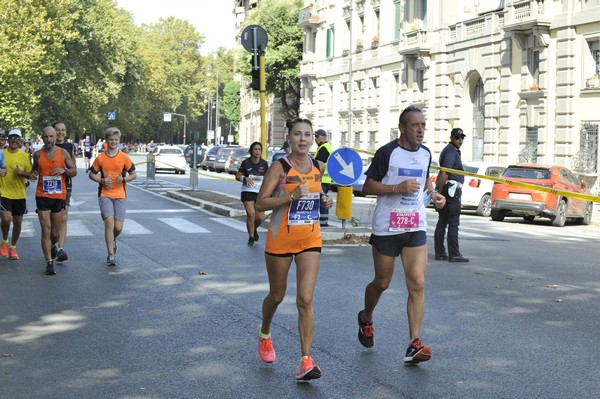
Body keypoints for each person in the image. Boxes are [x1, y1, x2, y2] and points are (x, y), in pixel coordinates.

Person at [357, 105, 446, 365]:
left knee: (417, 282)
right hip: (387, 226)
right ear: (403, 128)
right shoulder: (387, 152)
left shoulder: (426, 153)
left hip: (415, 224)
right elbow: (367, 186)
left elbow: (424, 182)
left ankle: (414, 343)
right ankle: (366, 317)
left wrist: (434, 195)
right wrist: (397, 187)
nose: (420, 130)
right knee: (382, 282)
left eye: (423, 125)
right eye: (415, 125)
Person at [255, 118, 334, 381]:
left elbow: (315, 193)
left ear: (313, 139)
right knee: (277, 296)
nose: (303, 139)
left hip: (310, 239)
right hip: (280, 239)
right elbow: (259, 204)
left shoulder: (318, 166)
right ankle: (265, 332)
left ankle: (306, 362)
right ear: (289, 137)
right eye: (297, 134)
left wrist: (323, 199)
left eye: (307, 135)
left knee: (306, 299)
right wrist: (290, 197)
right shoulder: (279, 168)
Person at [30, 126, 77, 275]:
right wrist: (33, 174)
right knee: (46, 229)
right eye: (46, 137)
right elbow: (34, 171)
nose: (49, 139)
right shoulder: (38, 155)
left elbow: (74, 170)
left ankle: (52, 246)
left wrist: (64, 170)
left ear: (55, 137)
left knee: (55, 233)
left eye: (51, 136)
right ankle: (49, 262)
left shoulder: (63, 153)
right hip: (42, 195)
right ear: (42, 138)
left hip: (58, 196)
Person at [89, 127, 136, 266]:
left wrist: (125, 179)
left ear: (119, 141)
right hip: (105, 194)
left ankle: (112, 240)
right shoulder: (101, 158)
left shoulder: (124, 157)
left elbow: (134, 174)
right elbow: (92, 174)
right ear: (106, 141)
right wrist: (101, 180)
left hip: (120, 194)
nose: (113, 142)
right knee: (109, 222)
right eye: (111, 139)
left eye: (116, 140)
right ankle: (110, 255)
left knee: (118, 227)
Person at [434, 128, 469, 262]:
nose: (460, 140)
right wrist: (439, 191)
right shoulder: (450, 152)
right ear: (451, 138)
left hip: (448, 190)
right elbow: (444, 173)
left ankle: (440, 253)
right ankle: (454, 254)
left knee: (443, 221)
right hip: (451, 192)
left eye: (461, 138)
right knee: (453, 222)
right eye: (457, 138)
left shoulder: (451, 151)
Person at [0, 129, 31, 260]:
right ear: (8, 140)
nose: (14, 140)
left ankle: (13, 247)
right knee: (7, 219)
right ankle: (5, 242)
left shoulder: (24, 156)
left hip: (19, 193)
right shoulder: (1, 153)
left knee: (18, 222)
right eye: (12, 137)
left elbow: (31, 174)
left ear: (20, 141)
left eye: (17, 138)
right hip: (4, 192)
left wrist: (22, 173)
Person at [236, 141, 268, 247]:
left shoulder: (264, 164)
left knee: (260, 218)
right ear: (251, 151)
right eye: (255, 149)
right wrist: (244, 178)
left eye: (259, 149)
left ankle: (253, 229)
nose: (257, 151)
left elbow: (268, 179)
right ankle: (251, 238)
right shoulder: (246, 163)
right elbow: (238, 176)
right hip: (247, 191)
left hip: (260, 193)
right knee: (251, 214)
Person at [54, 121, 76, 262]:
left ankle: (60, 249)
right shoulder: (49, 145)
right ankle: (51, 245)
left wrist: (65, 171)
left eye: (63, 130)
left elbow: (73, 168)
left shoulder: (69, 146)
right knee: (52, 219)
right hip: (50, 186)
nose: (60, 132)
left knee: (63, 217)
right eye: (58, 130)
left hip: (66, 184)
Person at [313, 129, 332, 227]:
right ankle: (323, 222)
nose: (315, 138)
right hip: (324, 179)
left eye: (317, 136)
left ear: (323, 137)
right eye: (314, 136)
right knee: (322, 200)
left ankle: (324, 223)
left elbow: (318, 165)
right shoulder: (323, 147)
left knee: (322, 200)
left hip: (322, 180)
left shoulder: (324, 148)